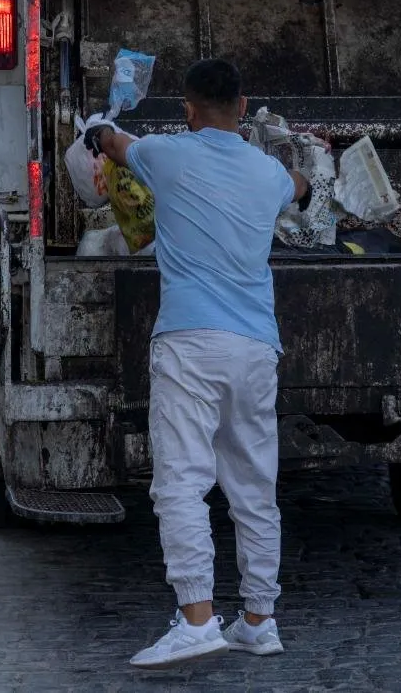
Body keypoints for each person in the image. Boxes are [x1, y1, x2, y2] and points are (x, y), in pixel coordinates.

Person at [87, 58, 313, 670]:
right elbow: (298, 184)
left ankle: (196, 618)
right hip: (255, 346)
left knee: (181, 482)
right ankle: (259, 621)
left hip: (189, 342)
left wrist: (95, 128)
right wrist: (304, 170)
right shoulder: (267, 174)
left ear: (187, 110)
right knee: (253, 486)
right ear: (243, 109)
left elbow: (112, 143)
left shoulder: (167, 156)